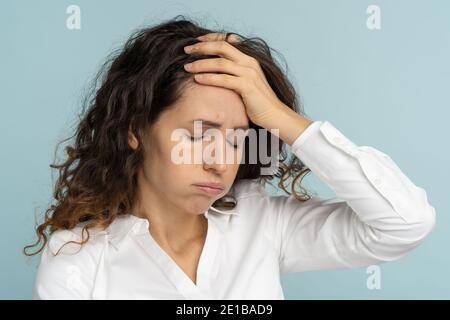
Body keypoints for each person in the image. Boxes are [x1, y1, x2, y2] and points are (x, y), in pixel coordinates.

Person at [24, 16, 436, 299]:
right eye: (201, 133)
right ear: (134, 131)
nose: (221, 162)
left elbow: (403, 224)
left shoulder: (261, 224)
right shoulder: (78, 255)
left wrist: (282, 118)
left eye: (238, 139)